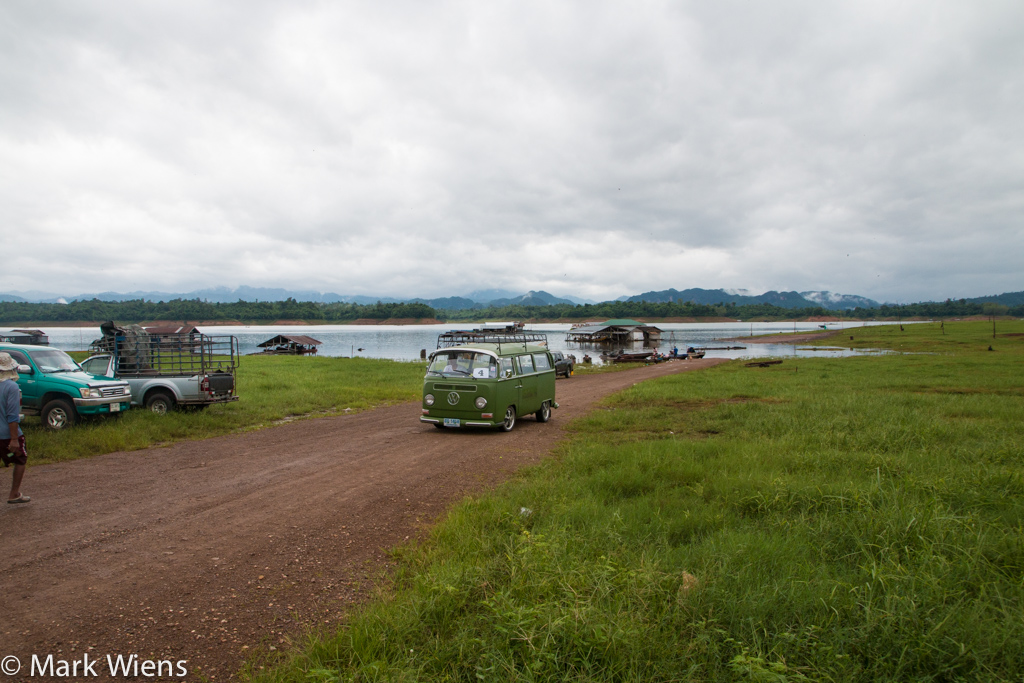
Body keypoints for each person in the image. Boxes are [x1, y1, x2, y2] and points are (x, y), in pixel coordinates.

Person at [0, 353, 30, 504]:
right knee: (20, 459)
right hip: (6, 434)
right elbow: (12, 416)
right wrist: (13, 439)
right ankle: (14, 493)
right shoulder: (11, 387)